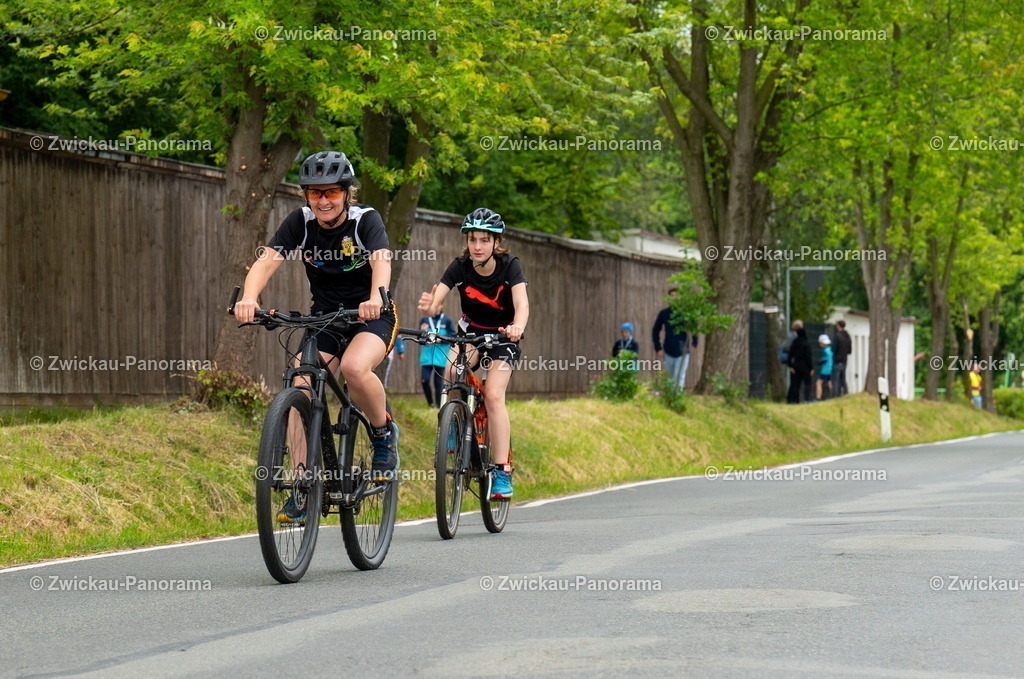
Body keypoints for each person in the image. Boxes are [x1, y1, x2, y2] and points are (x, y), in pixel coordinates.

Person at [234, 150, 398, 523]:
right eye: (315, 193)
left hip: (371, 317)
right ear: (306, 196)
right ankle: (302, 485)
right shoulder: (301, 222)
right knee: (300, 385)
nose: (323, 200)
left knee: (356, 369)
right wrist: (248, 298)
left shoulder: (364, 220)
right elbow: (268, 259)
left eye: (331, 193)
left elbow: (381, 259)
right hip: (325, 318)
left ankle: (383, 433)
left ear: (345, 193)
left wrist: (375, 297)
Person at [418, 208, 529, 500]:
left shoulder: (510, 266)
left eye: (484, 240)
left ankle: (502, 471)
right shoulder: (460, 266)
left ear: (495, 243)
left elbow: (522, 303)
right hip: (471, 333)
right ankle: (453, 425)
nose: (477, 246)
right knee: (452, 370)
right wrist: (429, 306)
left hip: (504, 336)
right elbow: (436, 302)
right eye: (472, 240)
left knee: (493, 395)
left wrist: (517, 326)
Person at [652, 292, 698, 389]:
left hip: (683, 350)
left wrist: (695, 342)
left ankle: (677, 398)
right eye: (672, 296)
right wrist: (658, 347)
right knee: (668, 378)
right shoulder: (664, 313)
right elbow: (656, 329)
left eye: (677, 296)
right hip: (668, 349)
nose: (675, 298)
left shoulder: (686, 313)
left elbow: (694, 327)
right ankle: (668, 400)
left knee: (679, 376)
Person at [419, 310, 456, 407]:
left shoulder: (447, 321)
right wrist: (423, 332)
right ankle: (430, 403)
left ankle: (438, 405)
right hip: (427, 358)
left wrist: (441, 339)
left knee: (438, 383)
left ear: (441, 306)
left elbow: (452, 337)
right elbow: (420, 338)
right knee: (425, 380)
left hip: (441, 358)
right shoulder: (424, 320)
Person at [786, 326, 814, 404]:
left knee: (795, 385)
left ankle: (795, 400)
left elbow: (790, 356)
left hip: (796, 367)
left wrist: (790, 366)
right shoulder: (806, 344)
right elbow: (808, 357)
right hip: (806, 368)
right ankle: (807, 399)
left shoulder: (794, 343)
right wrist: (811, 367)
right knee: (807, 384)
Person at [833, 320, 852, 396]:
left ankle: (836, 394)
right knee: (843, 378)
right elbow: (849, 351)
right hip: (844, 359)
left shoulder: (837, 336)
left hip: (838, 359)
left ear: (838, 326)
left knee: (836, 379)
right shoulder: (847, 336)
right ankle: (845, 393)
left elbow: (834, 348)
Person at [816, 334, 833, 401]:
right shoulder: (831, 350)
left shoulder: (825, 351)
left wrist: (819, 362)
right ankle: (833, 396)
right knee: (830, 383)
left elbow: (825, 359)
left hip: (825, 370)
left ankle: (818, 397)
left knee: (819, 383)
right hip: (830, 369)